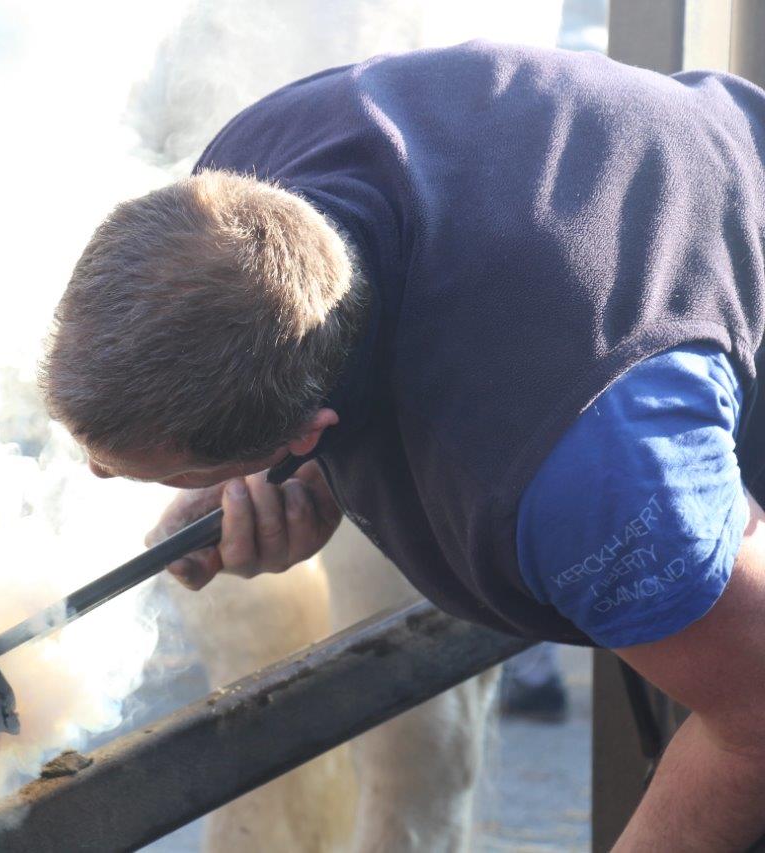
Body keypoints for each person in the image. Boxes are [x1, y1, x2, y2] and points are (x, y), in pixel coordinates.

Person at [40, 41, 765, 851]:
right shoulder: (239, 191)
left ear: (301, 429)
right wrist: (315, 483)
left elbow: (756, 718)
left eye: (154, 468)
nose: (96, 473)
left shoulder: (585, 474)